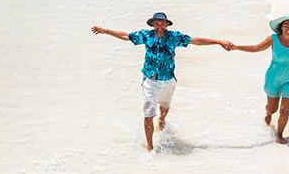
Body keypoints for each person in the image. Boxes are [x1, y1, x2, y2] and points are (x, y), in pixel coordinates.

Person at [91, 12, 234, 151]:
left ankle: (162, 120)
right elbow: (126, 36)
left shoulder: (174, 37)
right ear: (153, 24)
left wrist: (219, 42)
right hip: (150, 80)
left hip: (168, 80)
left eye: (162, 23)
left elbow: (196, 41)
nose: (160, 26)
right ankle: (150, 147)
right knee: (148, 114)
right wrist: (105, 31)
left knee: (165, 107)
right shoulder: (146, 35)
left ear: (167, 24)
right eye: (157, 23)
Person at [233, 14, 289, 144]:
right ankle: (268, 113)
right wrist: (236, 47)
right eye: (286, 25)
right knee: (273, 109)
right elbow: (256, 48)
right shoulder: (273, 39)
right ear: (281, 27)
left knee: (285, 111)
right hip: (274, 78)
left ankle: (279, 135)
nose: (288, 28)